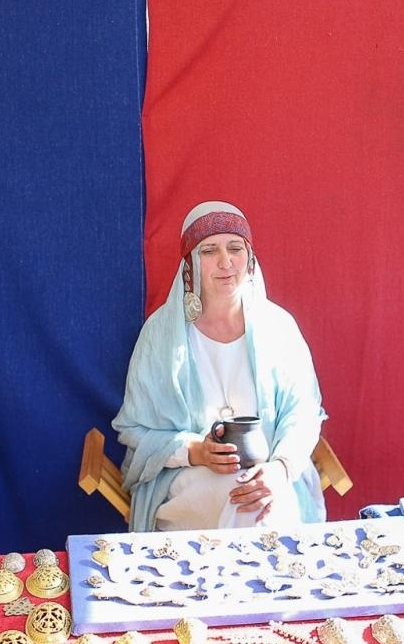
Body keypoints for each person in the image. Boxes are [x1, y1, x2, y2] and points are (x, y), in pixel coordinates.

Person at [113, 201, 325, 532]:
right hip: (186, 477)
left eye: (235, 248)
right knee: (240, 500)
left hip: (268, 474)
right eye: (209, 250)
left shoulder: (279, 328)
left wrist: (281, 469)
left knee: (258, 501)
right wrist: (195, 451)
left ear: (250, 259)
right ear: (190, 266)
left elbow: (303, 414)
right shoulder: (161, 334)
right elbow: (135, 431)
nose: (225, 262)